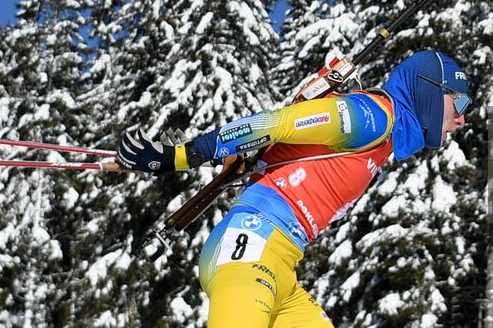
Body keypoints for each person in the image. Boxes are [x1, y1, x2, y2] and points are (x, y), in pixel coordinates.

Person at [117, 49, 471, 328]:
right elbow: (278, 123)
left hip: (280, 271)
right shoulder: (373, 117)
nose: (462, 118)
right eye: (459, 103)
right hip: (249, 252)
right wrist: (183, 156)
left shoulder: (384, 139)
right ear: (429, 92)